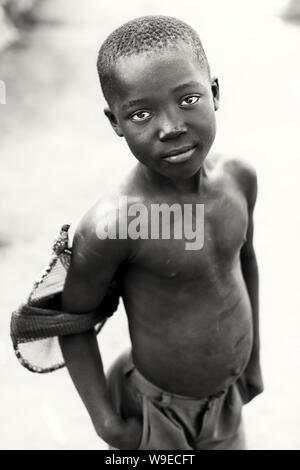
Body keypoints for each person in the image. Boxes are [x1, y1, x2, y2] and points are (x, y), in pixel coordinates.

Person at [58, 15, 263, 450]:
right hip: (157, 415)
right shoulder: (115, 225)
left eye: (188, 99)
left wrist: (254, 360)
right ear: (116, 121)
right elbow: (71, 324)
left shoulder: (239, 179)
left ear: (215, 92)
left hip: (226, 400)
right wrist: (107, 425)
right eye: (141, 113)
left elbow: (245, 262)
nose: (170, 126)